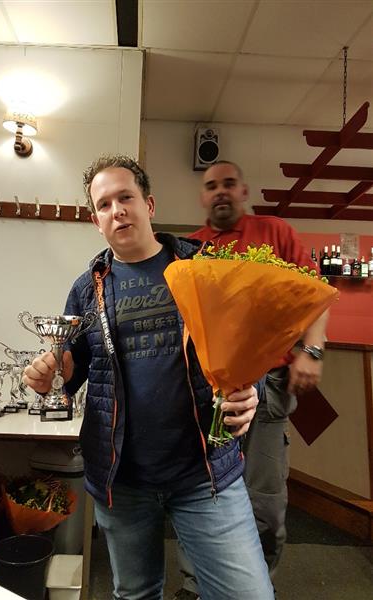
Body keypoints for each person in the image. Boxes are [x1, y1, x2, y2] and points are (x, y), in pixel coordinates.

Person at [23, 155, 274, 600]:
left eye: (126, 197)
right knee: (135, 594)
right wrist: (50, 375)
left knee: (247, 594)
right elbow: (71, 368)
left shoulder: (204, 268)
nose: (117, 210)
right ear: (96, 221)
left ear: (149, 205)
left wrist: (252, 390)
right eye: (104, 205)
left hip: (204, 474)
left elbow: (248, 348)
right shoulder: (87, 289)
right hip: (123, 482)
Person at [173, 160, 328, 600]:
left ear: (243, 191)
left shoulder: (276, 233)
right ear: (203, 196)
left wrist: (311, 351)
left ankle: (258, 585)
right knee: (202, 490)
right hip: (208, 391)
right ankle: (195, 586)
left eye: (229, 183)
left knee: (265, 500)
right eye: (211, 186)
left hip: (270, 385)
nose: (220, 191)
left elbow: (316, 296)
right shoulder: (191, 247)